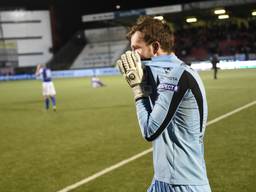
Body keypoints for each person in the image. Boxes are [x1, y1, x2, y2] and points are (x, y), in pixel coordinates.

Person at [117, 16, 211, 192]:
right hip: (162, 180)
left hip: (184, 184)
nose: (131, 56)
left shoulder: (178, 75)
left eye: (136, 49)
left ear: (155, 47)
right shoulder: (163, 72)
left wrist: (138, 89)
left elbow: (150, 130)